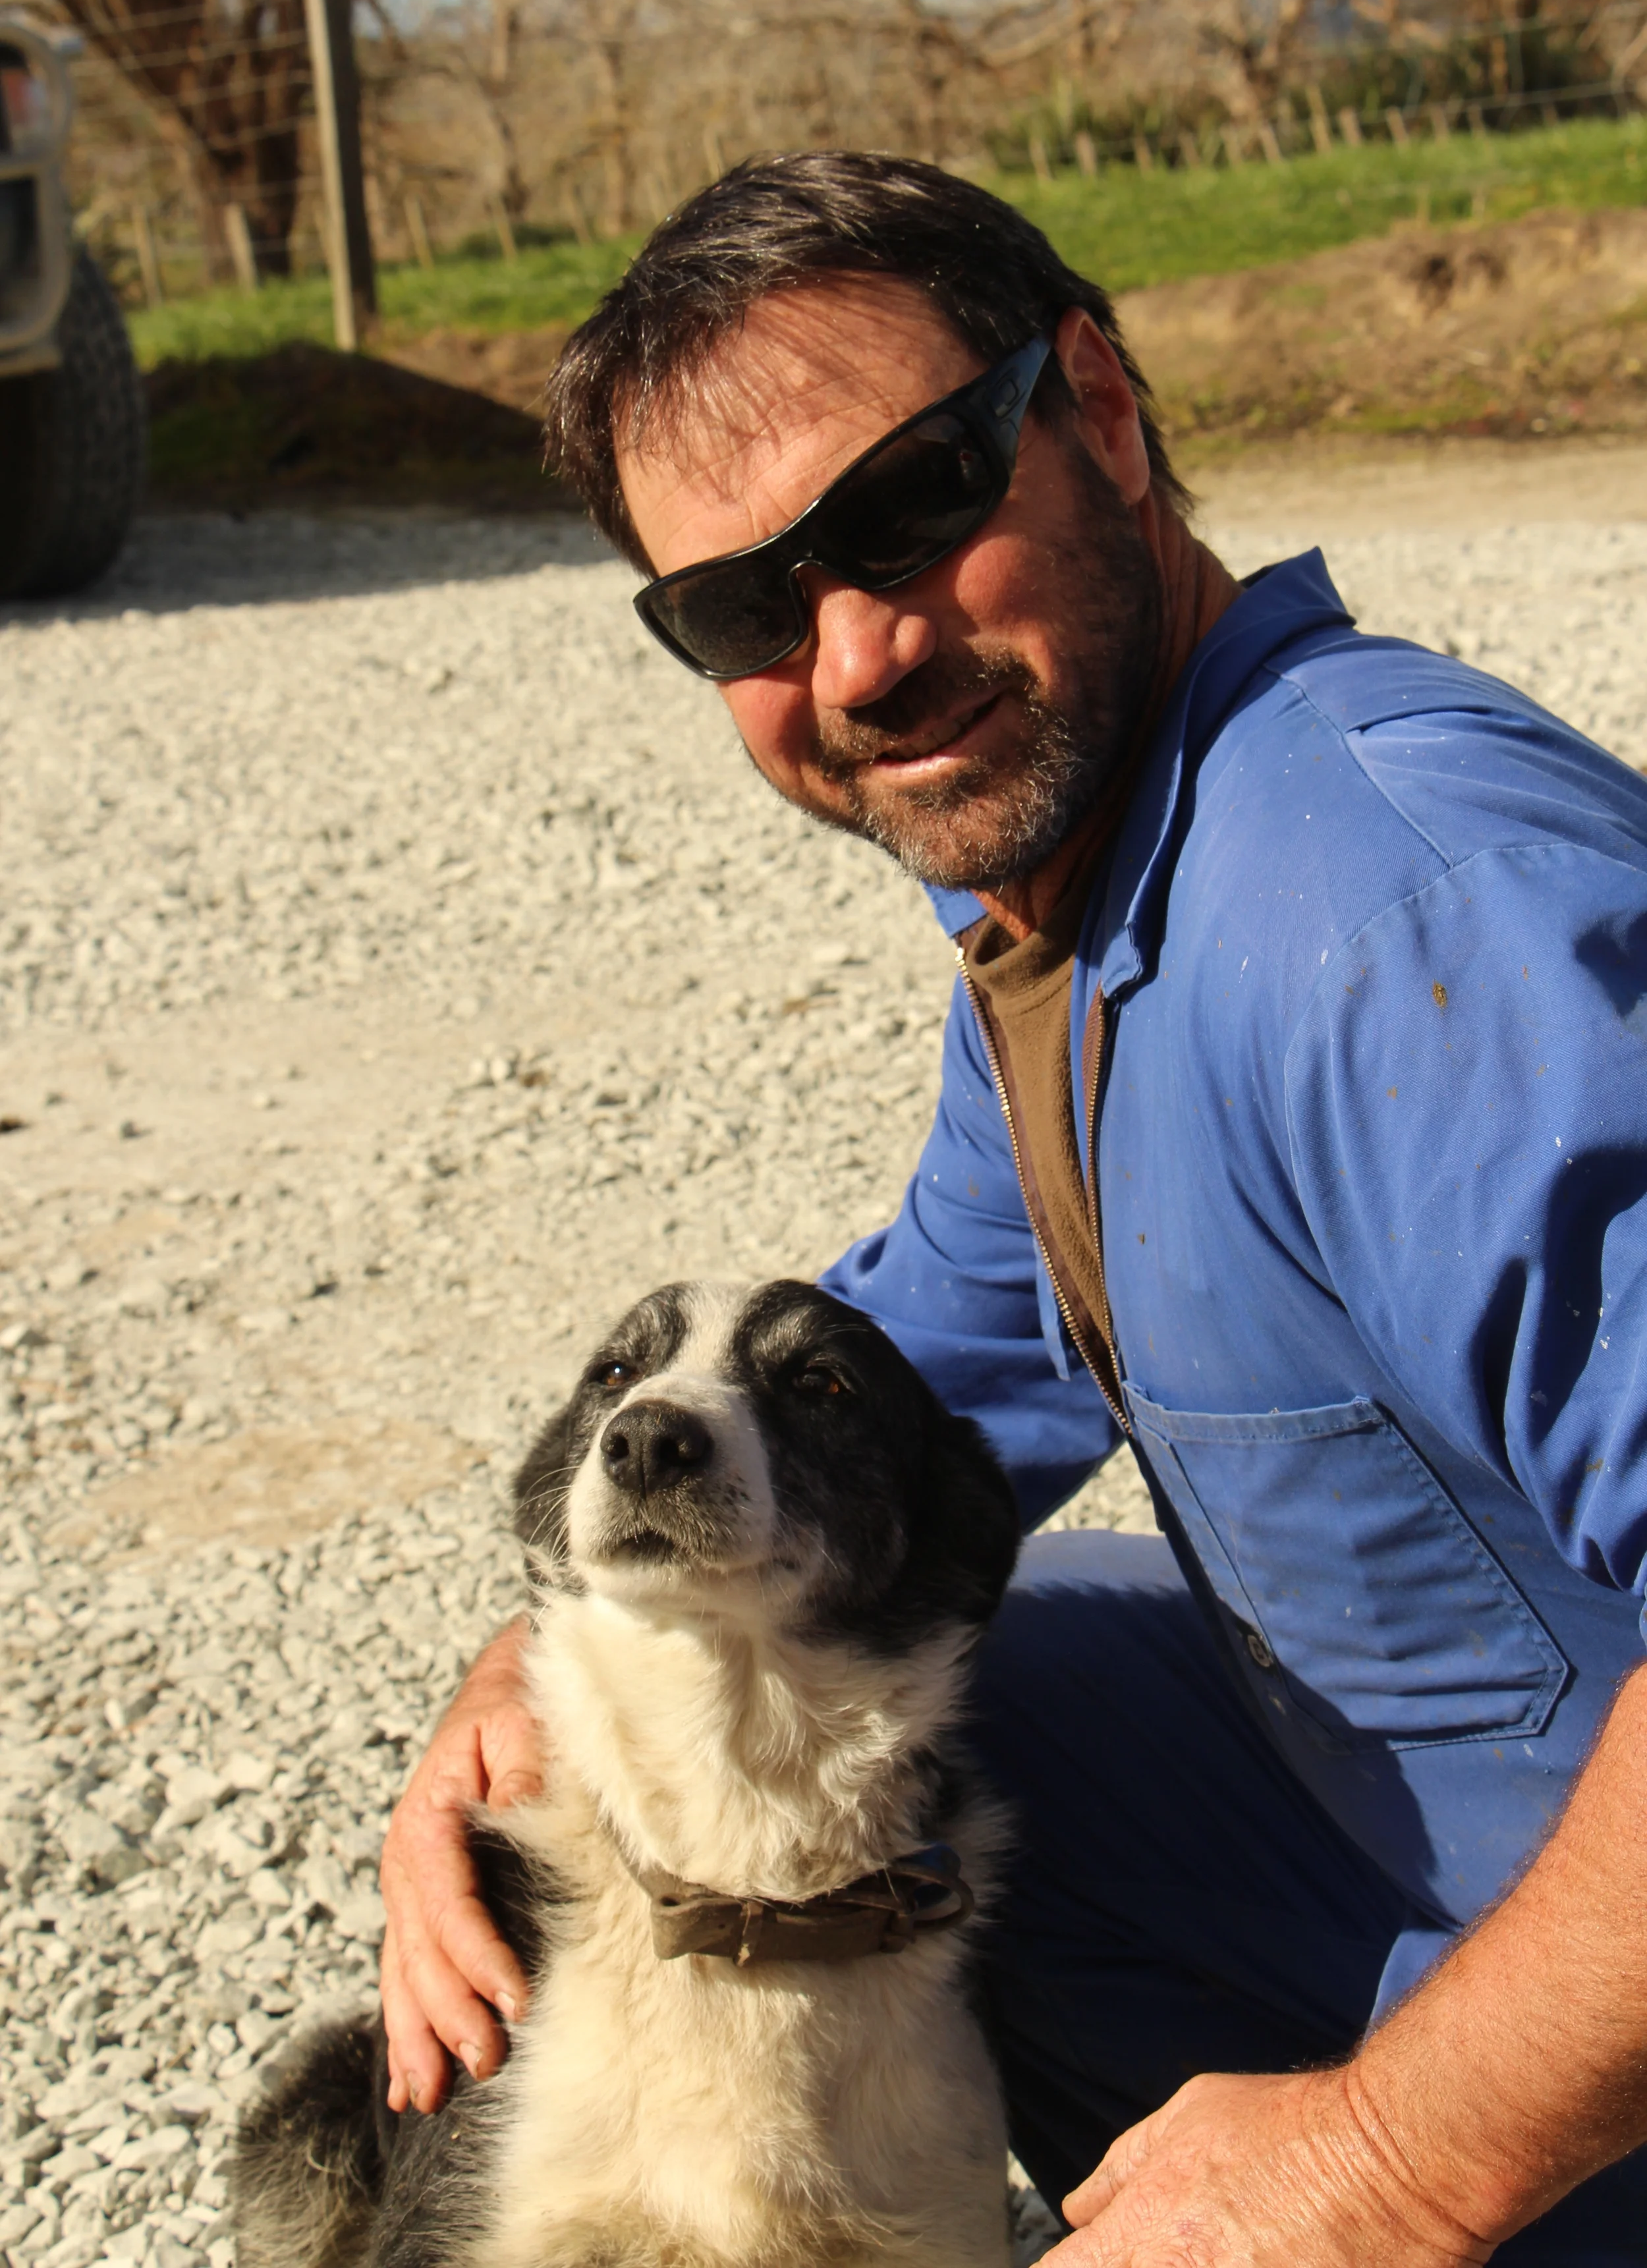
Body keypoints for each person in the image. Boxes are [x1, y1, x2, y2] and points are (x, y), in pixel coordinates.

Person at [374, 153, 1647, 2264]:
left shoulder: (1402, 916)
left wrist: (1379, 2167)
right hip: (1457, 1860)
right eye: (744, 608)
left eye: (908, 503)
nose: (857, 649)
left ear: (1102, 409)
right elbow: (908, 1393)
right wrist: (518, 1684)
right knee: (898, 1679)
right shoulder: (1074, 900)